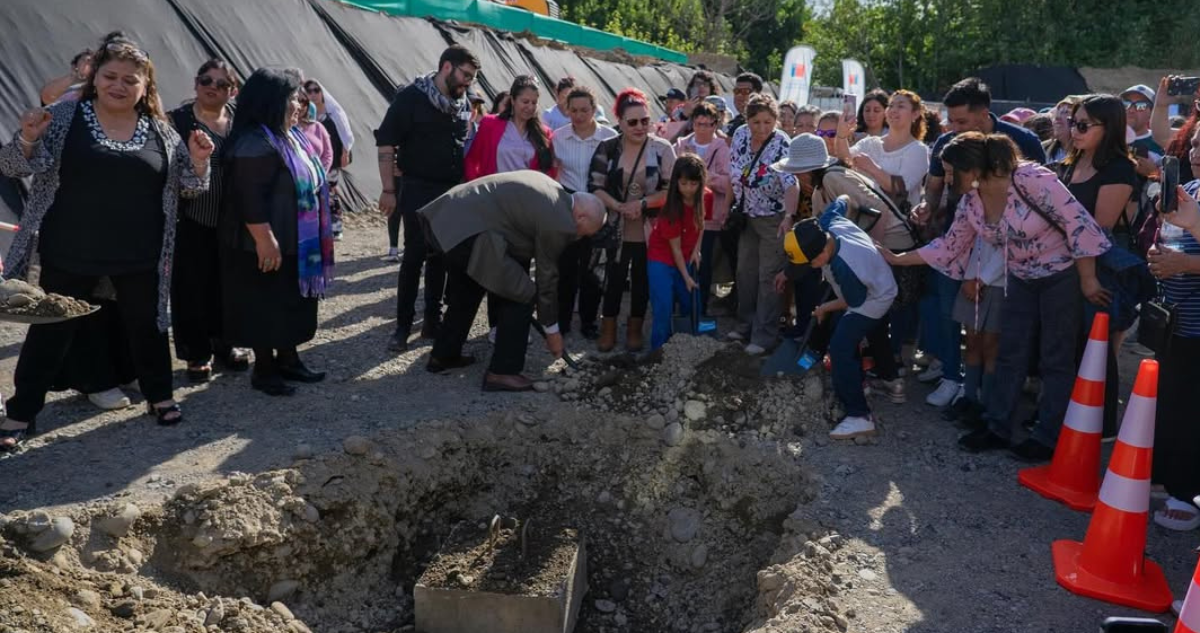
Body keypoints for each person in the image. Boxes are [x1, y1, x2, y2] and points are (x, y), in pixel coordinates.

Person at [0, 40, 213, 446]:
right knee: (51, 330)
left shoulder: (163, 132)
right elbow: (11, 165)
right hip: (69, 251)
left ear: (144, 85)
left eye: (130, 80)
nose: (118, 85)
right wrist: (27, 138)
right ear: (94, 78)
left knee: (147, 327)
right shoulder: (62, 117)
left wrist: (200, 160)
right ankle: (21, 413)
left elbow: (190, 187)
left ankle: (159, 395)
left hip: (141, 253)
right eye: (110, 76)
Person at [883, 133, 1111, 462]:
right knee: (1009, 353)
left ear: (972, 168)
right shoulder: (970, 202)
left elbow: (1078, 224)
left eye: (951, 171)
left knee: (1055, 358)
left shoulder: (1030, 178)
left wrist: (1088, 279)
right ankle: (998, 427)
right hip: (1019, 278)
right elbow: (949, 247)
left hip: (1062, 276)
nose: (947, 179)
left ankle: (1047, 437)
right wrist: (897, 258)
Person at [915, 77, 1048, 406]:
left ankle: (995, 393)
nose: (953, 127)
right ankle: (952, 375)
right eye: (950, 120)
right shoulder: (946, 142)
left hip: (1006, 250)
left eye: (961, 121)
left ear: (984, 114)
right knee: (951, 309)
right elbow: (934, 186)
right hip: (955, 237)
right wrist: (927, 208)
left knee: (994, 327)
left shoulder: (1022, 141)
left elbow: (1039, 199)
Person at [421, 171, 606, 391]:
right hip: (470, 230)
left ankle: (444, 355)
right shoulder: (561, 218)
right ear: (581, 217)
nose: (578, 237)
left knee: (469, 287)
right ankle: (502, 372)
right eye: (584, 232)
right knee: (523, 293)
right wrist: (552, 331)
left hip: (447, 219)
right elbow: (546, 279)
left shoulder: (551, 189)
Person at [220, 67, 333, 397]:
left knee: (289, 301)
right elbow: (248, 196)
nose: (299, 103)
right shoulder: (254, 143)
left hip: (296, 239)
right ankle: (265, 369)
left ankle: (289, 359)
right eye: (291, 98)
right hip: (262, 241)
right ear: (271, 101)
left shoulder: (290, 135)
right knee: (264, 304)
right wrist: (264, 239)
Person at [375, 45, 478, 352]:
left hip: (450, 190)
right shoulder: (410, 98)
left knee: (442, 257)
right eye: (465, 75)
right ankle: (402, 327)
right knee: (414, 256)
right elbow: (386, 144)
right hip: (417, 187)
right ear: (447, 67)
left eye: (471, 78)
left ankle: (432, 321)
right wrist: (388, 190)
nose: (468, 83)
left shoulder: (462, 102)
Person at [778, 198, 899, 439]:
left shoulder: (846, 266)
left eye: (811, 263)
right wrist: (851, 202)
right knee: (843, 333)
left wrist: (823, 308)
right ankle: (864, 381)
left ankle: (859, 416)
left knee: (840, 346)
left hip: (875, 297)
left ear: (823, 251)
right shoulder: (825, 223)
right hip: (869, 280)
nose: (811, 267)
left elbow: (853, 302)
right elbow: (842, 201)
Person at [1059, 94, 1140, 437]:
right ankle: (1068, 418)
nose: (1073, 130)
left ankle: (1101, 425)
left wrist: (1088, 277)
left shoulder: (1119, 169)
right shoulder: (1069, 162)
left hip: (1100, 267)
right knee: (1068, 343)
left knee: (1095, 345)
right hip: (1067, 263)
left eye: (1082, 125)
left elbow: (1097, 229)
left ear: (1109, 128)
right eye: (1071, 122)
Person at [168, 59, 251, 383]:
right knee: (191, 287)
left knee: (228, 284)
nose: (212, 87)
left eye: (221, 84)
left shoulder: (240, 123)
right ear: (195, 83)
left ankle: (226, 344)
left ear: (232, 90)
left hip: (233, 219)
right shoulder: (177, 120)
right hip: (190, 216)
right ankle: (196, 352)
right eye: (206, 80)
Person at [588, 88, 675, 352]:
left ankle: (635, 328)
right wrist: (619, 206)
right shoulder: (608, 148)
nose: (640, 127)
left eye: (645, 121)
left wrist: (643, 204)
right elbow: (594, 185)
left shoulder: (662, 149)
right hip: (616, 225)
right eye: (633, 122)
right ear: (620, 123)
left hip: (650, 229)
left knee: (641, 280)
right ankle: (608, 327)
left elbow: (671, 189)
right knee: (612, 280)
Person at [727, 94, 799, 354]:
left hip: (773, 218)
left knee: (768, 277)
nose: (761, 128)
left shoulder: (782, 144)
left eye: (768, 122)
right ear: (747, 120)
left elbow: (791, 183)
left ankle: (764, 335)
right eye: (756, 122)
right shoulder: (740, 136)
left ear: (776, 121)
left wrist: (789, 217)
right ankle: (743, 325)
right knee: (745, 273)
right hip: (746, 215)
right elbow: (733, 171)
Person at [1147, 177, 1200, 531]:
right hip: (1177, 319)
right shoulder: (1191, 188)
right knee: (1172, 403)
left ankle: (1186, 492)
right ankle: (1167, 478)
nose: (1196, 151)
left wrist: (1185, 264)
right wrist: (1159, 254)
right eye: (1194, 143)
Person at [552, 85, 617, 338]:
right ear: (567, 110)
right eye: (574, 110)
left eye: (585, 110)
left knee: (593, 272)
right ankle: (562, 322)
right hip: (568, 210)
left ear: (594, 109)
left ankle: (589, 322)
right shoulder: (558, 137)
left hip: (599, 209)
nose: (579, 115)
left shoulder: (609, 137)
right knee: (565, 269)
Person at [648, 154, 711, 350]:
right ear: (676, 181)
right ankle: (659, 350)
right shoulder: (670, 208)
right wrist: (686, 277)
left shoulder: (706, 197)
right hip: (662, 257)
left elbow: (702, 222)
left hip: (687, 254)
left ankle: (690, 346)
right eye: (683, 184)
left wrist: (697, 249)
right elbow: (674, 249)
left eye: (693, 184)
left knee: (692, 303)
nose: (688, 189)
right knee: (664, 305)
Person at [674, 102, 731, 315]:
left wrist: (703, 176)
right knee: (680, 258)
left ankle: (700, 307)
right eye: (699, 124)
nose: (703, 128)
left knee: (703, 263)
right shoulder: (682, 145)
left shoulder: (723, 148)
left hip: (710, 216)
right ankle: (681, 305)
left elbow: (729, 183)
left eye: (708, 124)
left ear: (715, 124)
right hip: (682, 214)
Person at [464, 75, 556, 181]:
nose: (530, 107)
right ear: (513, 100)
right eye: (525, 102)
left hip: (526, 195)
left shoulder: (545, 133)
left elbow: (550, 171)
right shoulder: (489, 124)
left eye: (534, 103)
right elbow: (472, 160)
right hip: (492, 193)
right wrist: (477, 190)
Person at [303, 79, 354, 240]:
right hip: (311, 160)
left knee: (331, 192)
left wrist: (345, 153)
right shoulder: (307, 112)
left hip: (331, 159)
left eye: (316, 90)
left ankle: (336, 227)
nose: (313, 94)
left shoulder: (333, 111)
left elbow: (345, 134)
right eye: (309, 91)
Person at [296, 89, 333, 171]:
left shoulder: (318, 127)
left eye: (304, 102)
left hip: (313, 178)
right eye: (298, 100)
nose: (301, 105)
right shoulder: (286, 123)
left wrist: (316, 175)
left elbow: (328, 156)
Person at [1044, 97, 1080, 164]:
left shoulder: (1086, 155)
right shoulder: (1043, 148)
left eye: (1066, 112)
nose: (1057, 117)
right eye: (1058, 111)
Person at [725, 72, 762, 138]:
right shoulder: (731, 124)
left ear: (757, 94)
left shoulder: (764, 123)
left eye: (746, 91)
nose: (739, 95)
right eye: (737, 91)